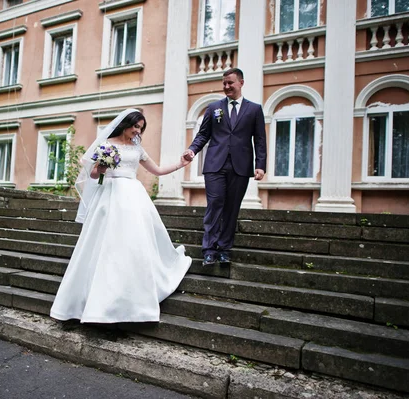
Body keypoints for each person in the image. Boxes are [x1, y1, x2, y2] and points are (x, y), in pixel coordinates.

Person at [50, 109, 193, 323]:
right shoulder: (107, 143)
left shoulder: (137, 148)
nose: (137, 131)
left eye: (141, 128)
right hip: (109, 195)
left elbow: (158, 170)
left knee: (134, 242)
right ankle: (96, 302)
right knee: (105, 245)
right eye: (135, 126)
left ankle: (133, 296)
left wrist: (180, 164)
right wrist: (102, 168)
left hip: (133, 197)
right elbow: (93, 174)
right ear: (126, 124)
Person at [183, 68, 266, 266]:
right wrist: (192, 150)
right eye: (224, 83)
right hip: (214, 164)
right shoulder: (213, 108)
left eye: (230, 82)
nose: (227, 86)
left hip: (241, 166)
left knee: (231, 208)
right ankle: (209, 250)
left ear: (241, 83)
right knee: (215, 204)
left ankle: (224, 249)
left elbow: (260, 140)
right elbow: (203, 134)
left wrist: (260, 165)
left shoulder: (254, 109)